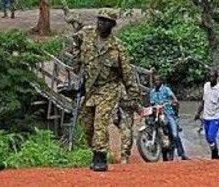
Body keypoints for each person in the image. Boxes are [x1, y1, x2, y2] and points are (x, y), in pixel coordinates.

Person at [73, 9, 141, 172]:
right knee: (86, 124)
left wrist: (133, 94)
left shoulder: (117, 48)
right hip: (90, 89)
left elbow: (127, 73)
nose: (101, 23)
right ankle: (97, 149)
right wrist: (77, 61)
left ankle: (100, 157)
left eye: (105, 21)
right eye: (99, 20)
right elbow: (75, 41)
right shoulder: (87, 34)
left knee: (100, 122)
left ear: (112, 24)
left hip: (108, 88)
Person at [149, 75, 190, 160]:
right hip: (157, 115)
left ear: (161, 81)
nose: (156, 82)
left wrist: (172, 103)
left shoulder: (166, 90)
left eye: (157, 80)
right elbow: (152, 103)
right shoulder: (152, 92)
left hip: (168, 113)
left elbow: (175, 101)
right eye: (155, 80)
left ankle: (182, 154)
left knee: (175, 134)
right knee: (153, 128)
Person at [194, 69, 219, 159]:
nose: (211, 78)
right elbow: (203, 101)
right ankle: (215, 152)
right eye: (209, 77)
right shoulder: (206, 86)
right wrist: (198, 112)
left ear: (217, 77)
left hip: (216, 117)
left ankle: (215, 153)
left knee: (211, 136)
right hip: (206, 116)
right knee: (207, 138)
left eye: (213, 76)